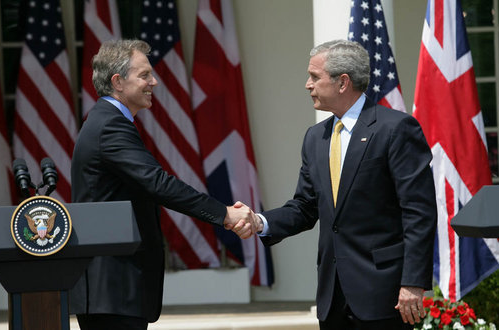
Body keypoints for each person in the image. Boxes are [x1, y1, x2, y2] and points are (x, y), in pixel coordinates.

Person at [69, 39, 256, 330]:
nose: (153, 82)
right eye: (144, 75)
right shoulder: (110, 125)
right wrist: (224, 214)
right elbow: (158, 184)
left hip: (115, 289)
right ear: (117, 82)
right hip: (112, 287)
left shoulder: (107, 121)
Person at [250, 40, 437, 329]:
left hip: (384, 294)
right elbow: (304, 207)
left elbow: (419, 212)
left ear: (343, 82)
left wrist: (413, 282)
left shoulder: (396, 129)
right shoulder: (315, 137)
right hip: (332, 297)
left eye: (314, 77)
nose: (307, 85)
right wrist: (260, 221)